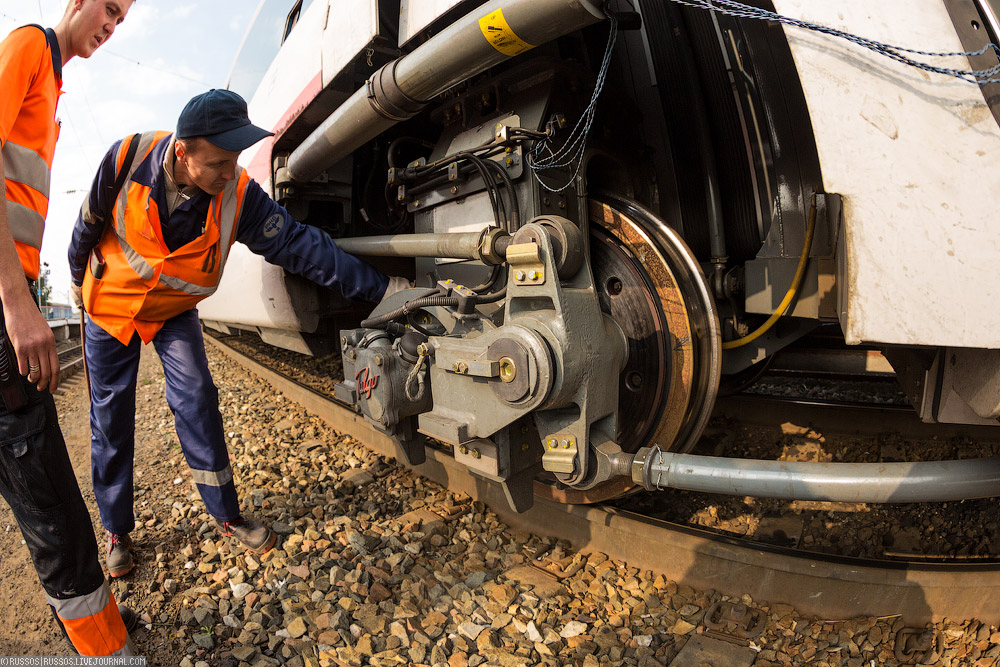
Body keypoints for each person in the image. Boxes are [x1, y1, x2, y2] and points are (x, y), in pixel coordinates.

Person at [68, 88, 409, 578]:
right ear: (182, 153)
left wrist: (381, 291)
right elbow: (85, 228)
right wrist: (79, 283)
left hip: (173, 310)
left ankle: (227, 515)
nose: (231, 174)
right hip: (110, 307)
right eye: (219, 163)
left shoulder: (238, 193)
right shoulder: (125, 159)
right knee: (112, 419)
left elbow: (299, 245)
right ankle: (116, 529)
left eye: (235, 161)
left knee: (198, 400)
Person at [0, 0, 137, 657]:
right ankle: (108, 650)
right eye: (108, 8)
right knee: (51, 502)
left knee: (41, 497)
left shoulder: (51, 82)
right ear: (77, 1)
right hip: (2, 298)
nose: (111, 26)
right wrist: (16, 300)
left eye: (122, 20)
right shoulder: (28, 47)